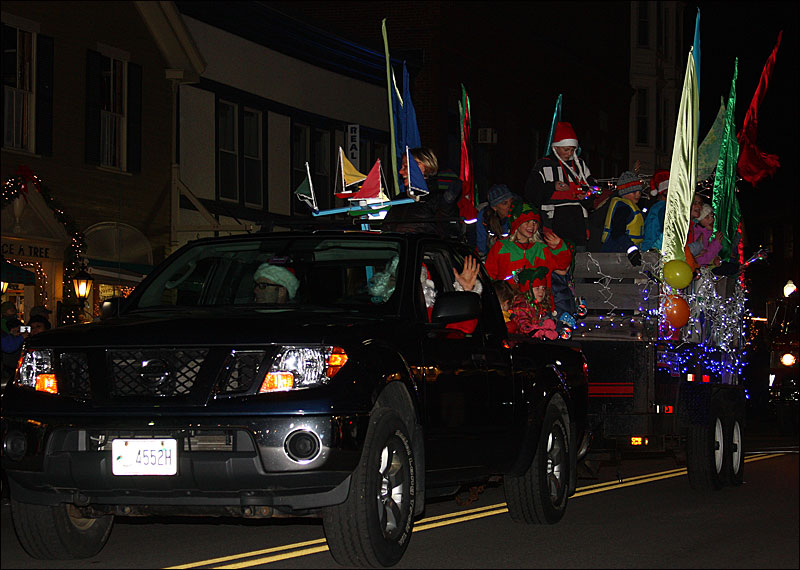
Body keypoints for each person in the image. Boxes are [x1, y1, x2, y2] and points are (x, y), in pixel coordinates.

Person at [523, 122, 597, 251]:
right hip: (552, 226)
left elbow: (595, 190)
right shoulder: (543, 165)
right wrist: (552, 187)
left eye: (572, 150)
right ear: (556, 148)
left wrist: (585, 197)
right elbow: (530, 194)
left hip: (577, 227)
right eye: (566, 149)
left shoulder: (580, 165)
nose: (569, 153)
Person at [484, 202, 572, 300]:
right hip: (509, 303)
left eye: (535, 222)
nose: (531, 226)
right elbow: (489, 276)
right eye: (527, 222)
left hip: (538, 304)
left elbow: (562, 266)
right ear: (516, 223)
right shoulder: (501, 247)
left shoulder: (541, 248)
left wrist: (558, 247)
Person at [384, 147, 462, 238]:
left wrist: (447, 204)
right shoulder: (399, 199)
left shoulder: (439, 199)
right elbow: (386, 232)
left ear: (423, 167)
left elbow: (450, 234)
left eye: (406, 167)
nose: (400, 172)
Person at [600, 170, 646, 265]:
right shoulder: (623, 208)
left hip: (625, 252)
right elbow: (618, 232)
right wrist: (631, 249)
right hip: (617, 253)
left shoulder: (630, 208)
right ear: (624, 192)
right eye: (634, 192)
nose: (638, 195)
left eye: (639, 192)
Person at [475, 184, 516, 259]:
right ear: (494, 207)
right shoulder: (484, 218)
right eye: (504, 203)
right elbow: (481, 247)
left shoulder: (517, 214)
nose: (510, 206)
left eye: (511, 201)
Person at [640, 169, 670, 252]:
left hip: (648, 246)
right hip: (655, 248)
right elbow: (666, 230)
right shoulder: (662, 207)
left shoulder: (654, 207)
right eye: (666, 195)